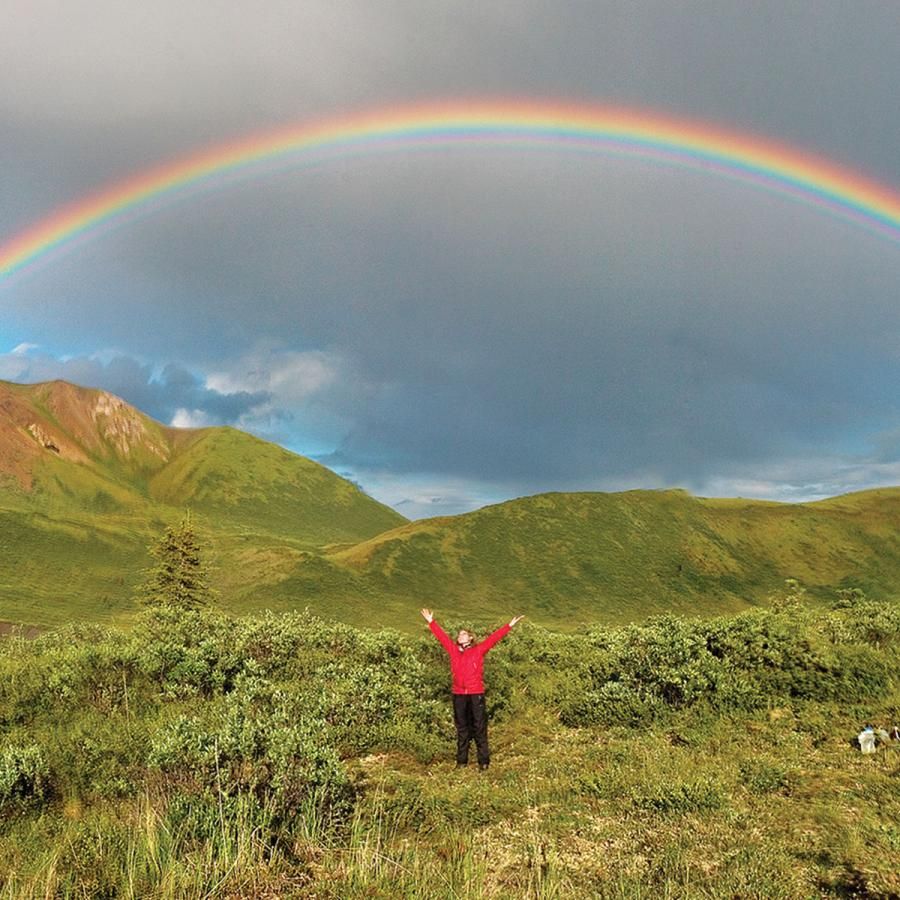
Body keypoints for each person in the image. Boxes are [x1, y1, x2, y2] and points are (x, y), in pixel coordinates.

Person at [421, 608, 524, 770]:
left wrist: (509, 625)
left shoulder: (478, 650)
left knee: (479, 727)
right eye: (459, 634)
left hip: (476, 693)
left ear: (470, 637)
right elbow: (442, 638)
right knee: (462, 728)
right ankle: (461, 762)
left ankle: (484, 762)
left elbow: (493, 639)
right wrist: (431, 622)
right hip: (459, 694)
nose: (460, 636)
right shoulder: (453, 651)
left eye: (464, 634)